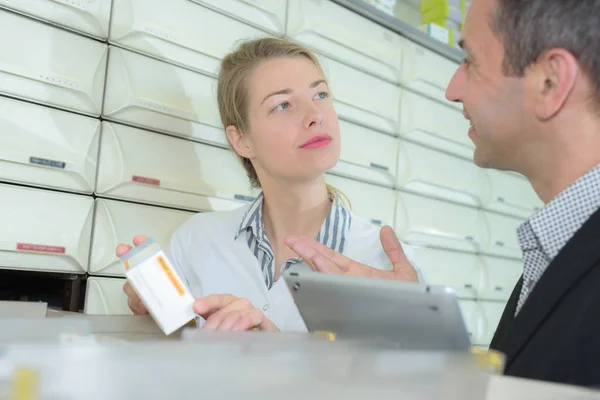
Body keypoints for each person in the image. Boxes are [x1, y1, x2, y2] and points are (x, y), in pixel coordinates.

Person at [288, 0, 600, 387]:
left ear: (550, 82)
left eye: (470, 60)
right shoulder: (557, 244)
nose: (452, 89)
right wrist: (417, 331)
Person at [117, 37, 424, 333]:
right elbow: (177, 366)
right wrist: (159, 310)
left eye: (320, 95)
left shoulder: (386, 262)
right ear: (241, 140)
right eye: (283, 105)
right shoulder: (195, 241)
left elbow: (408, 382)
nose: (315, 115)